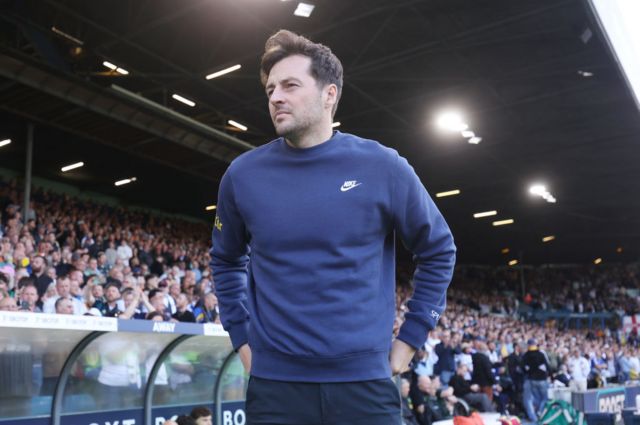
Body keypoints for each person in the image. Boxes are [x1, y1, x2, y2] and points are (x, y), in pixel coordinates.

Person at [211, 29, 456, 424]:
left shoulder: (382, 166)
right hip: (275, 387)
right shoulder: (242, 175)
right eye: (271, 88)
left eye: (290, 85)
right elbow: (225, 260)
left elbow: (439, 249)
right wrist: (241, 338)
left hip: (364, 386)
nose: (275, 97)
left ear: (330, 95)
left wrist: (410, 340)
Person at [522, 338, 549, 422]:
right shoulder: (540, 354)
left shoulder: (526, 355)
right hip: (541, 379)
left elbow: (523, 367)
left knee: (532, 399)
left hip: (531, 379)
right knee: (544, 398)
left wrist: (528, 371)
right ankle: (540, 412)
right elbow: (547, 366)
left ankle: (533, 417)